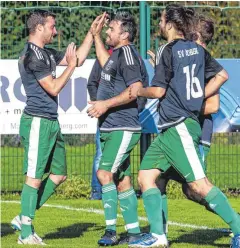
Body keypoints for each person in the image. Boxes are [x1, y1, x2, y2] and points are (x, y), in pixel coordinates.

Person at [128, 5, 240, 248]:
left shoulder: (168, 49)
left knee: (198, 185)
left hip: (179, 127)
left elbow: (159, 91)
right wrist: (196, 99)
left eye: (162, 20)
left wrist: (139, 90)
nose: (160, 25)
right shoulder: (197, 49)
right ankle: (158, 236)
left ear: (171, 24)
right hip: (172, 129)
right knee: (147, 177)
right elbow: (223, 75)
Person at [11, 9, 97, 245]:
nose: (55, 31)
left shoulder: (45, 52)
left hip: (51, 121)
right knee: (34, 177)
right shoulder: (32, 55)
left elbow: (76, 59)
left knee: (59, 174)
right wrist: (69, 66)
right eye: (52, 27)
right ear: (39, 28)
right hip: (38, 120)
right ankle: (25, 233)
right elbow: (54, 87)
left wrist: (91, 34)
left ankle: (24, 216)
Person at [87, 11, 148, 246]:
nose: (107, 32)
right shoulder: (116, 54)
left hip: (124, 126)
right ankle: (133, 233)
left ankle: (111, 231)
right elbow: (104, 62)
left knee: (103, 174)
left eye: (110, 29)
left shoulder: (129, 56)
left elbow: (135, 90)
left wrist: (105, 104)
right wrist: (95, 36)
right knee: (122, 180)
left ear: (124, 34)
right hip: (111, 127)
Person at [87, 47, 113, 200]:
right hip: (105, 117)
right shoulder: (103, 58)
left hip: (124, 117)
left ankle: (118, 190)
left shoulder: (131, 56)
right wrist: (100, 104)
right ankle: (97, 192)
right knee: (101, 154)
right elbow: (91, 83)